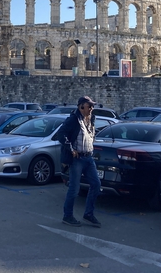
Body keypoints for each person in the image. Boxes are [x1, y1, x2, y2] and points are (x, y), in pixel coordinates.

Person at [58, 96, 102, 228]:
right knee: (74, 189)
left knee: (96, 184)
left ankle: (88, 214)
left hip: (89, 157)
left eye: (92, 106)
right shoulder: (73, 119)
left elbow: (91, 135)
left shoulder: (91, 119)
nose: (92, 109)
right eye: (90, 106)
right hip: (77, 159)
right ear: (81, 107)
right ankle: (68, 216)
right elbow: (61, 134)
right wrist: (71, 149)